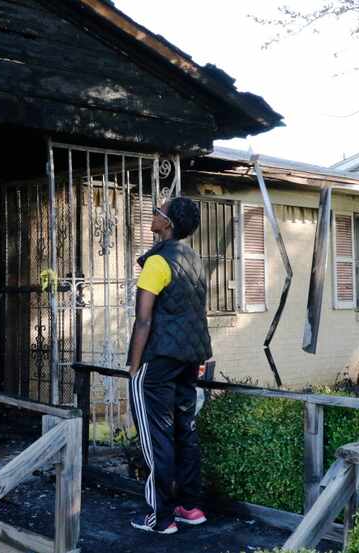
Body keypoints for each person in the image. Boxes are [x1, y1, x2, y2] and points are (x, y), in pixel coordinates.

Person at [126, 197, 212, 535]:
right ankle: (189, 507)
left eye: (159, 212)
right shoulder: (195, 260)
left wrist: (133, 368)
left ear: (170, 223)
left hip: (158, 361)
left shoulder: (158, 262)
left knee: (155, 437)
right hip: (190, 358)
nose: (153, 214)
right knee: (183, 431)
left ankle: (159, 518)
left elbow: (143, 321)